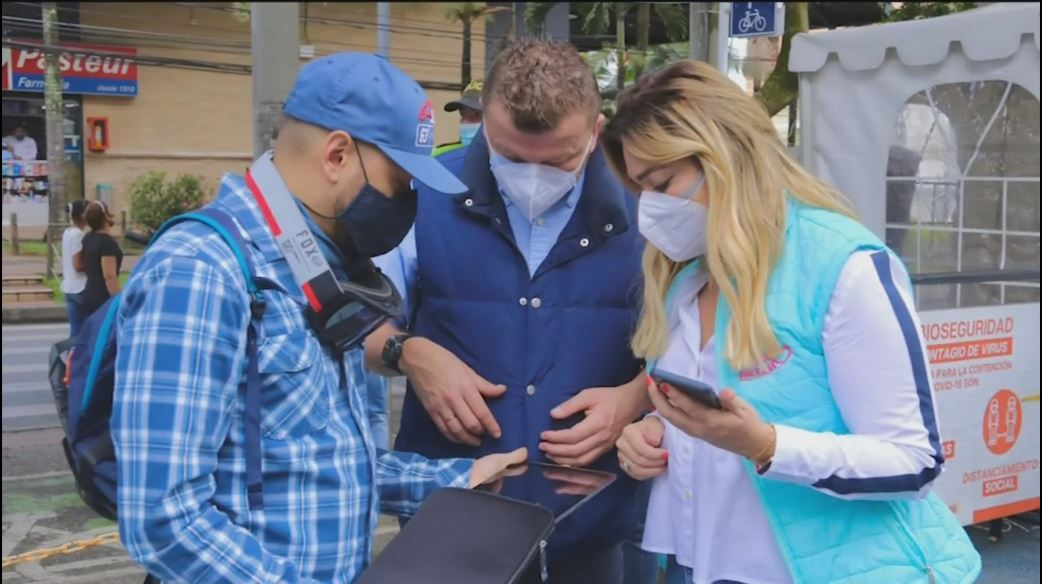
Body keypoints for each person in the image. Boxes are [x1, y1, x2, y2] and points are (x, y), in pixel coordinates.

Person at [110, 53, 525, 583]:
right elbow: (165, 519)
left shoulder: (313, 269)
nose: (404, 204)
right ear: (337, 155)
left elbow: (322, 462)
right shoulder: (202, 268)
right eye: (399, 184)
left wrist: (455, 478)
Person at [606, 61, 981, 584]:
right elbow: (714, 415)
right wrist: (652, 433)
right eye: (638, 190)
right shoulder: (684, 281)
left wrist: (766, 446)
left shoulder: (842, 266)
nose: (650, 209)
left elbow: (913, 460)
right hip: (704, 566)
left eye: (662, 182)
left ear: (727, 156)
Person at [367, 40, 649, 583]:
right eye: (512, 158)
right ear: (485, 129)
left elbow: (699, 353)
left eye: (561, 159)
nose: (534, 177)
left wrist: (633, 399)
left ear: (597, 130)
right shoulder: (422, 195)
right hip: (447, 526)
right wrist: (410, 352)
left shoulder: (646, 207)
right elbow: (355, 327)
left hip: (592, 528)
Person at [73, 201, 123, 320]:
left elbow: (78, 265)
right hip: (103, 298)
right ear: (105, 216)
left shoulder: (87, 238)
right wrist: (119, 300)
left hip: (88, 292)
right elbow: (109, 276)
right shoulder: (107, 244)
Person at [432, 79, 484, 157]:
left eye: (477, 114)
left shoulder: (505, 161)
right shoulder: (441, 154)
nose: (466, 122)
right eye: (462, 114)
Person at [61, 200, 89, 336]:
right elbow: (77, 264)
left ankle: (71, 357)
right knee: (85, 332)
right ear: (83, 215)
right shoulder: (79, 234)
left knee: (75, 331)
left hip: (69, 287)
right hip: (81, 287)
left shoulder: (68, 232)